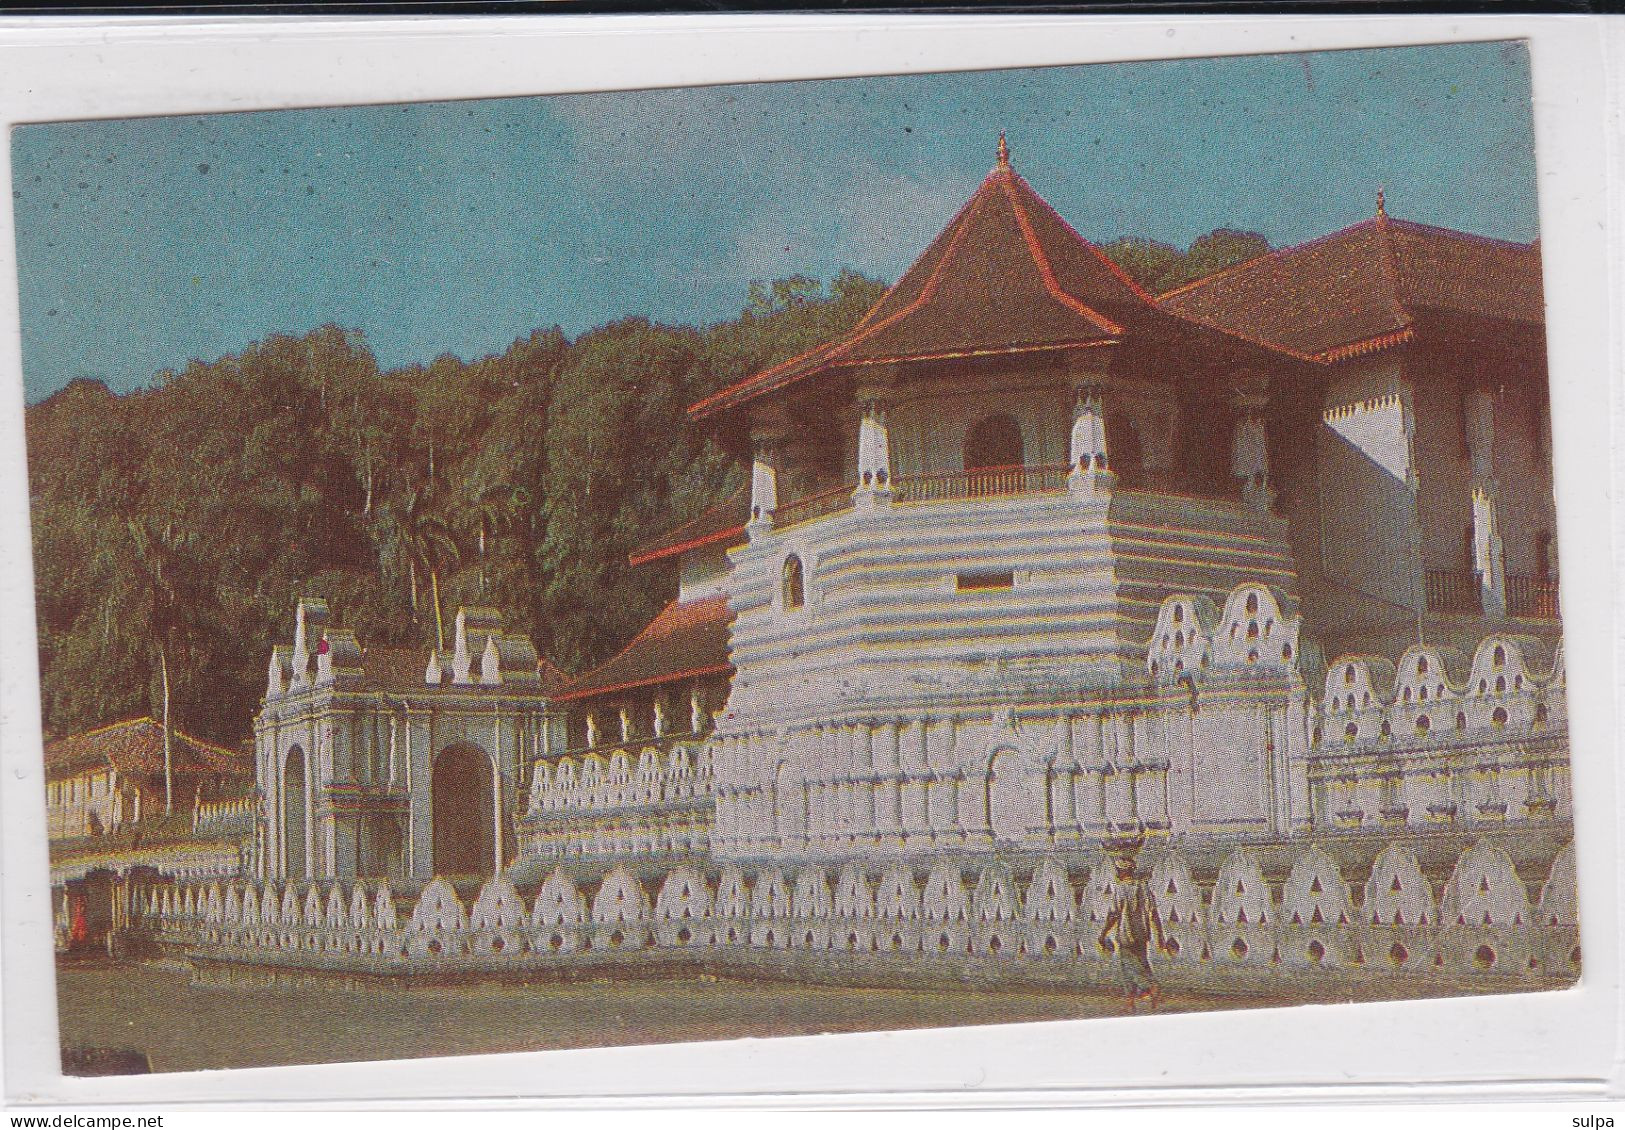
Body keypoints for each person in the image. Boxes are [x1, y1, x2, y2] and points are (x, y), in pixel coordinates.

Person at [1097, 843, 1171, 1012]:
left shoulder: (1120, 889)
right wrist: (1160, 936)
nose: (1116, 872)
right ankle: (1131, 1003)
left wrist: (1103, 934)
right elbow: (1154, 914)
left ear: (1123, 871)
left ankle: (1151, 988)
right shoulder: (1143, 888)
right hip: (1142, 936)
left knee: (1129, 969)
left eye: (1118, 870)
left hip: (1126, 936)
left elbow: (1114, 915)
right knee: (1142, 965)